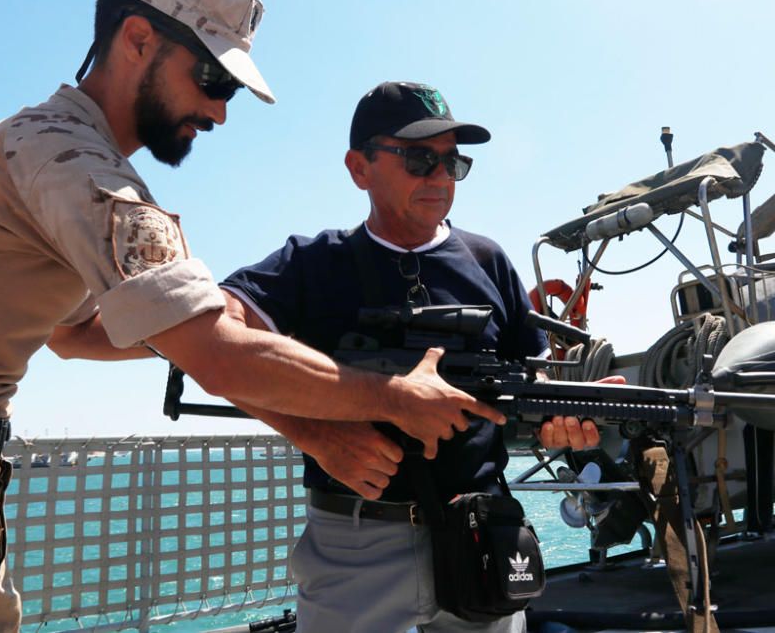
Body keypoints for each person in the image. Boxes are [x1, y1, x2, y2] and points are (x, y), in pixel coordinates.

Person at [0, 0, 502, 631]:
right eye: (213, 81)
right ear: (138, 39)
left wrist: (264, 355)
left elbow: (79, 333)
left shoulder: (44, 154)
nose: (218, 113)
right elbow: (215, 352)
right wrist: (390, 394)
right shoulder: (73, 164)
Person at [222, 81, 601, 633]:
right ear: (360, 168)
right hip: (356, 545)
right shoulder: (313, 264)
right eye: (420, 158)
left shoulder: (488, 260)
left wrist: (561, 415)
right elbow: (207, 343)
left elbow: (530, 380)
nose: (441, 177)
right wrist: (317, 436)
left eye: (453, 162)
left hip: (480, 536)